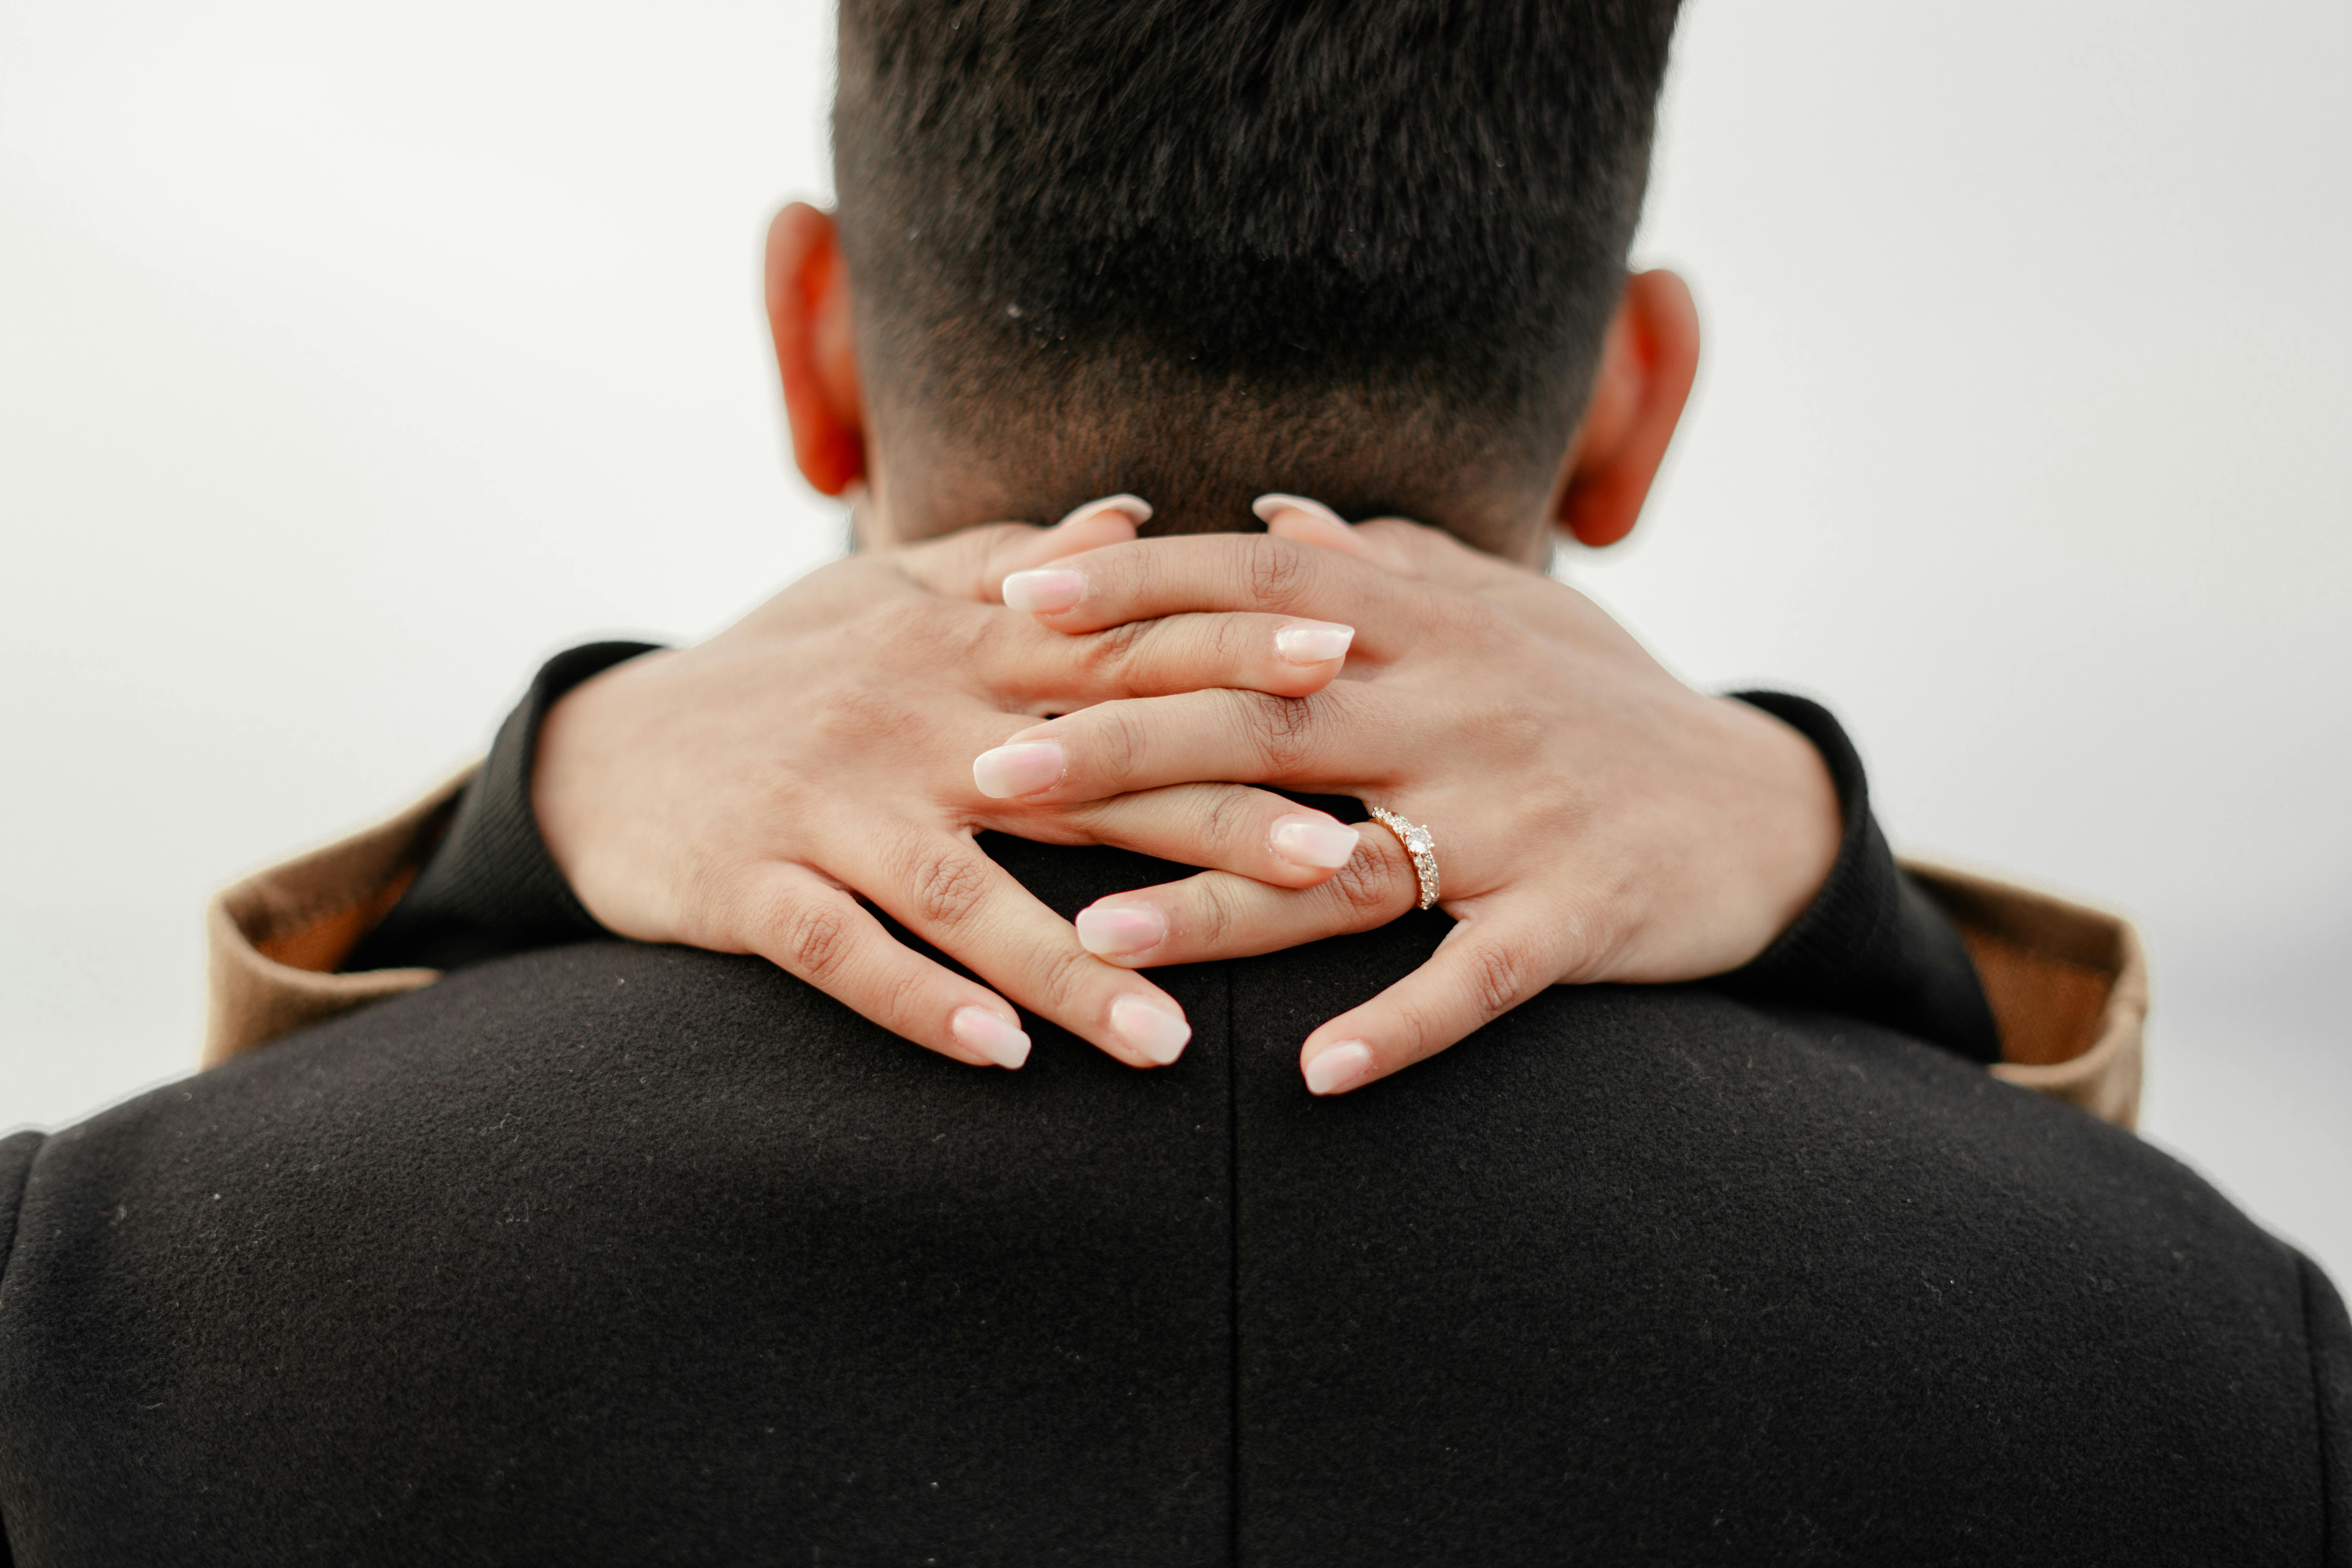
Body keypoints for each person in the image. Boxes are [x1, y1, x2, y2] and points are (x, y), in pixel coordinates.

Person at [2, 1, 2341, 1562]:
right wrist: (1841, 876)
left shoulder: (96, 1295)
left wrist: (536, 800)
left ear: (814, 344)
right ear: (1636, 395)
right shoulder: (2221, 1370)